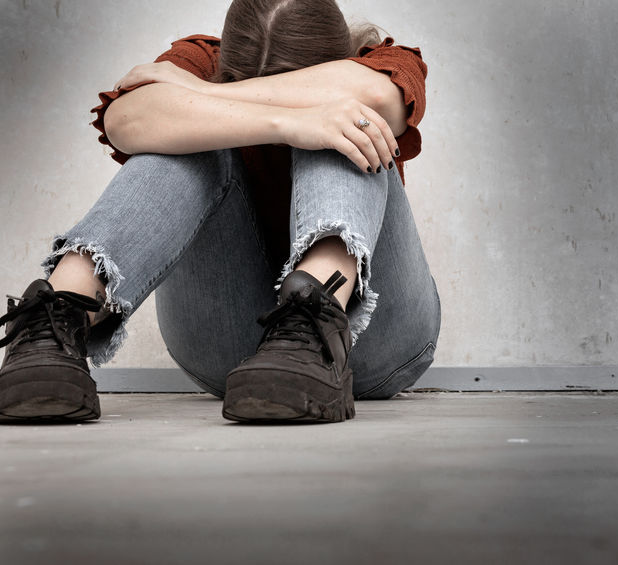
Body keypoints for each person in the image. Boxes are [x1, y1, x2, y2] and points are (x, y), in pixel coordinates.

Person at [0, 0, 441, 423]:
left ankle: (314, 322)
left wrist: (208, 94)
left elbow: (378, 98)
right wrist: (291, 121)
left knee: (347, 124)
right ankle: (54, 321)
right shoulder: (198, 59)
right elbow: (125, 122)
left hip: (378, 342)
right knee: (178, 135)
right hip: (227, 345)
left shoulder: (381, 62)